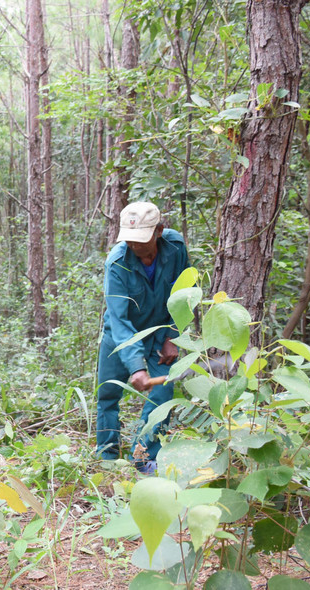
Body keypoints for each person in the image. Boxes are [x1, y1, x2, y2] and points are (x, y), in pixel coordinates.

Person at [96, 202, 189, 473]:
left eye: (141, 240)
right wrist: (136, 365)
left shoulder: (176, 248)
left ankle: (143, 458)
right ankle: (107, 456)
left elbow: (184, 292)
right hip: (120, 335)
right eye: (130, 241)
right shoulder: (117, 262)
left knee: (161, 395)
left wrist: (173, 335)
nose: (135, 246)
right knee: (109, 393)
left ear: (159, 231)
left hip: (160, 332)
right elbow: (118, 317)